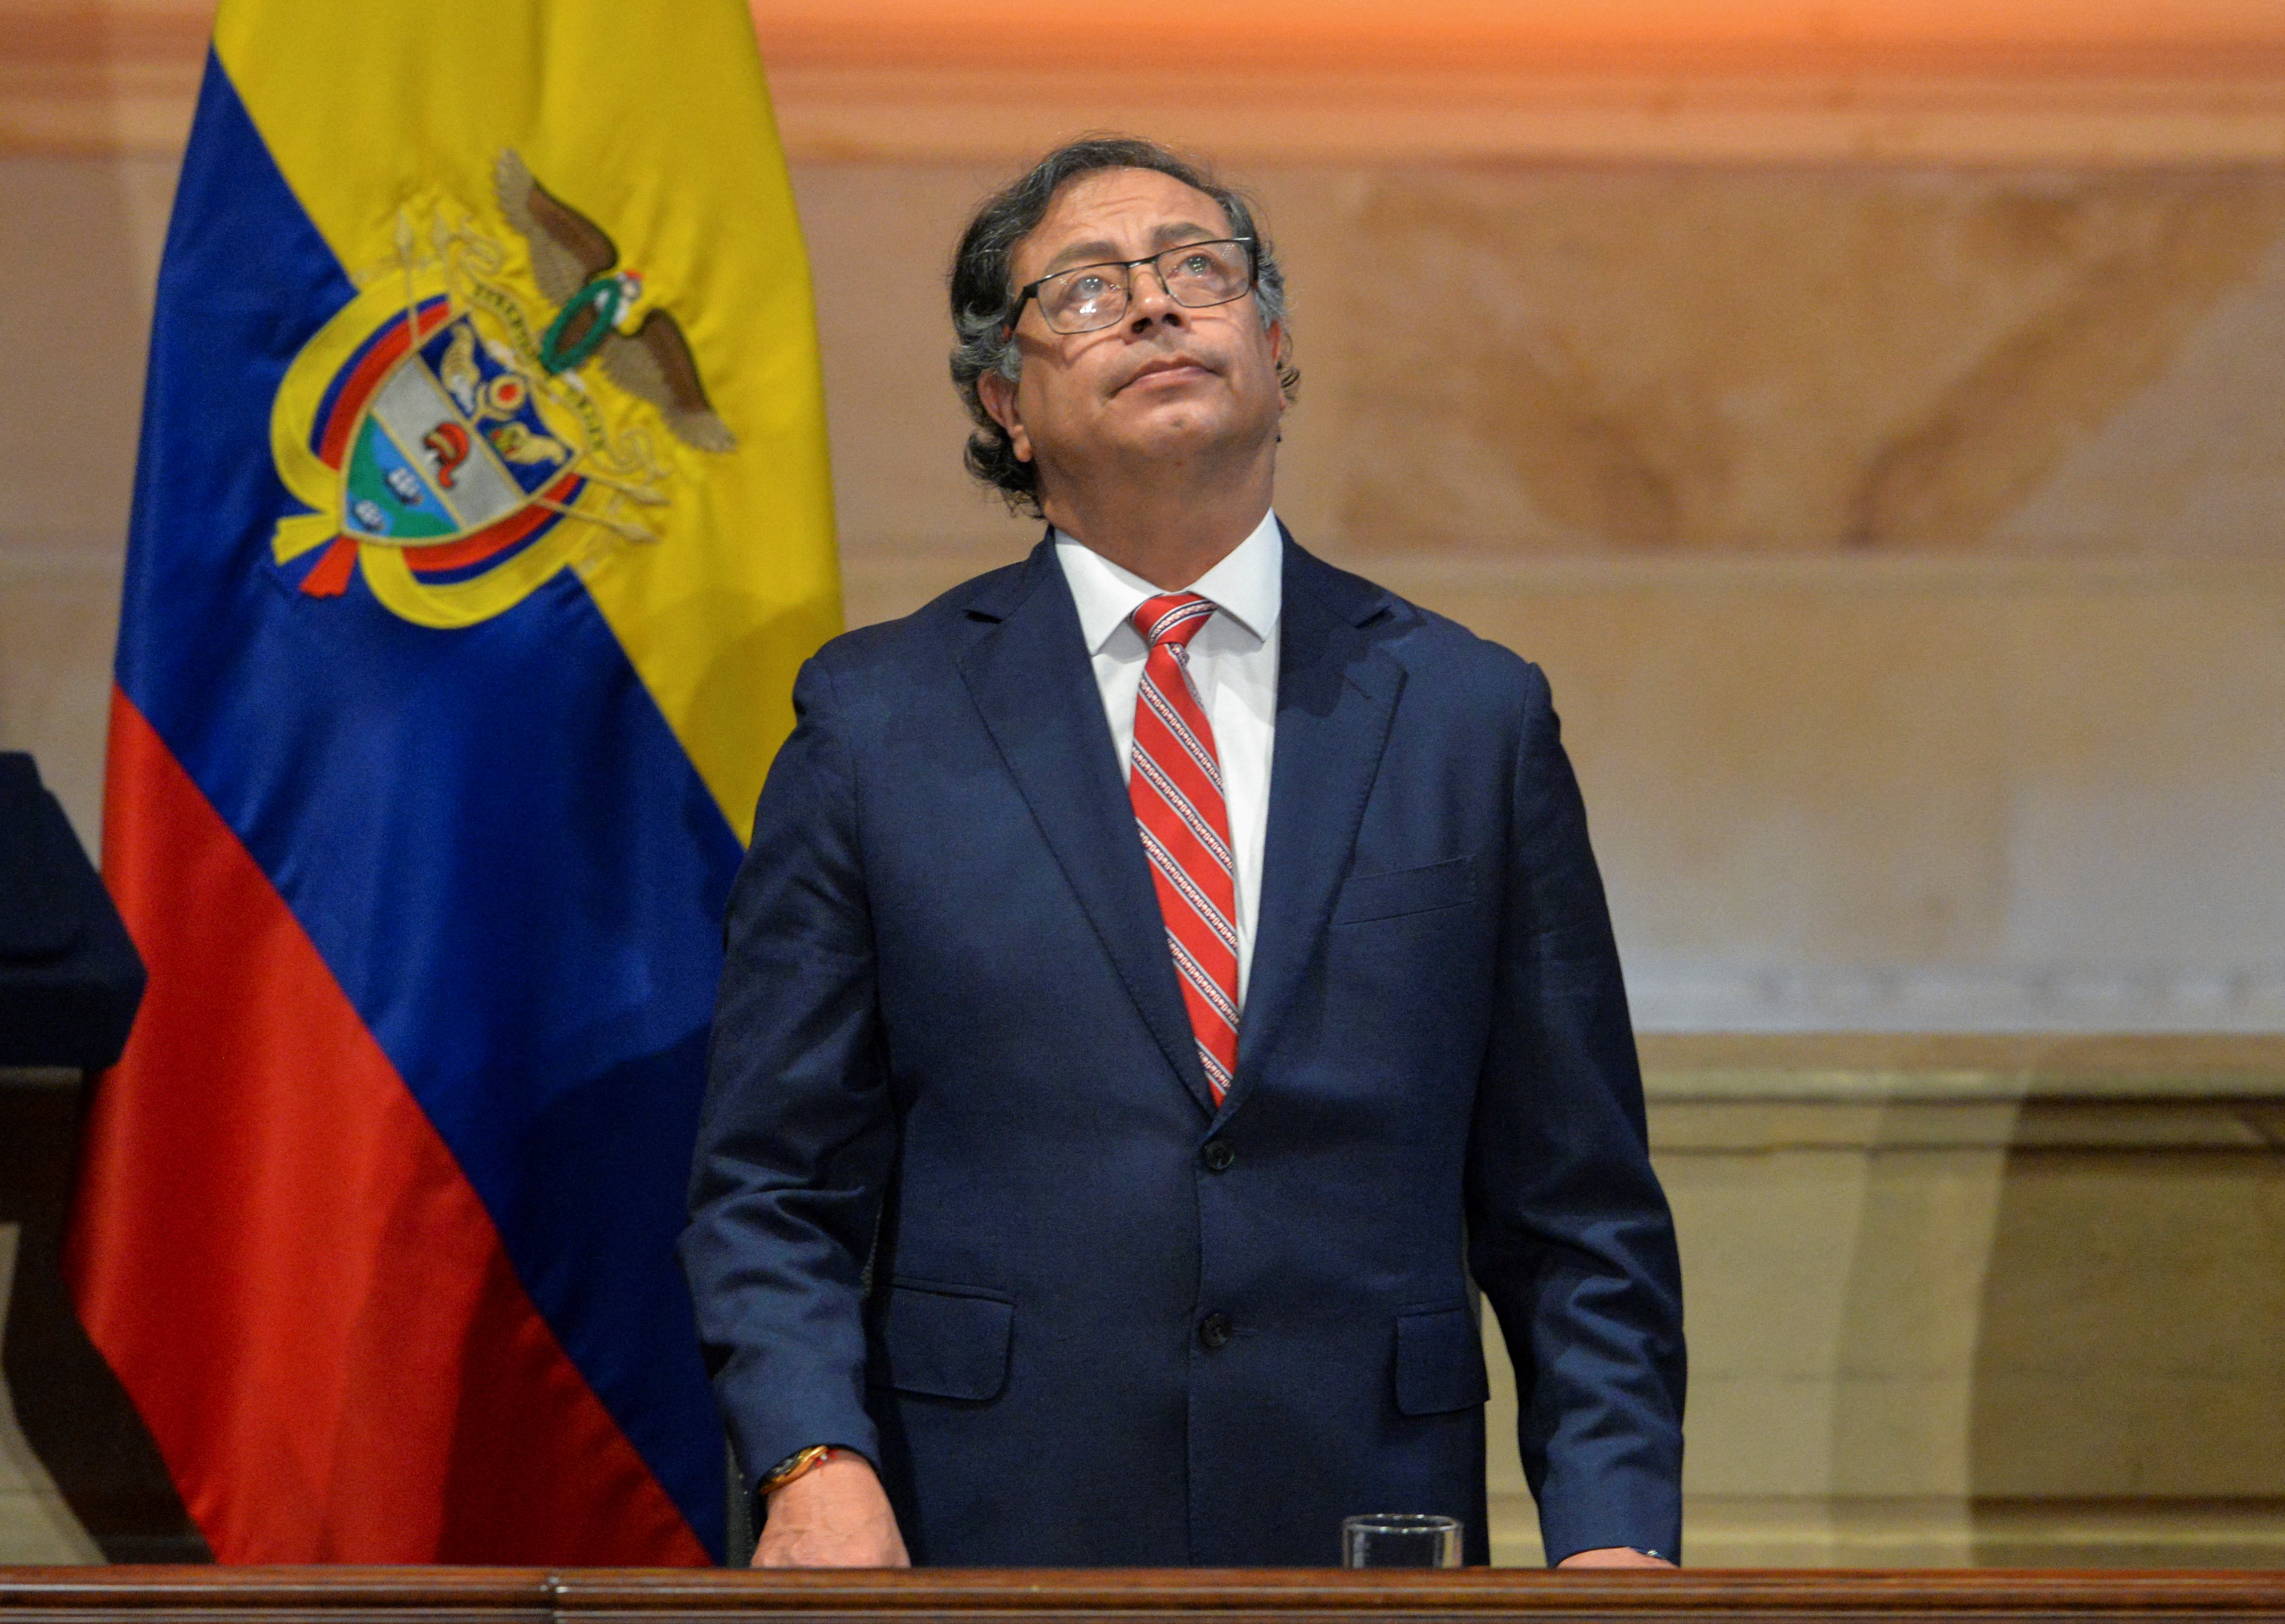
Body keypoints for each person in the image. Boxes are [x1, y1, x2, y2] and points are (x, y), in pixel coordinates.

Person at [680, 135, 1685, 1570]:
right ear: (1002, 401)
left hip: (1363, 1523)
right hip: (980, 1526)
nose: (1156, 307)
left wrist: (1616, 1534)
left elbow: (1577, 1204)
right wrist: (808, 1455)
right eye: (1084, 290)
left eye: (1200, 271)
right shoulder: (877, 721)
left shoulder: (1472, 715)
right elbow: (772, 1180)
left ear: (1274, 347)